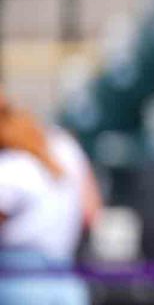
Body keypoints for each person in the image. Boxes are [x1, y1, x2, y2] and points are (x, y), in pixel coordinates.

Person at [0, 95, 103, 304]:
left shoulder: (12, 166)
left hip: (17, 282)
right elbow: (92, 213)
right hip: (66, 284)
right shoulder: (65, 146)